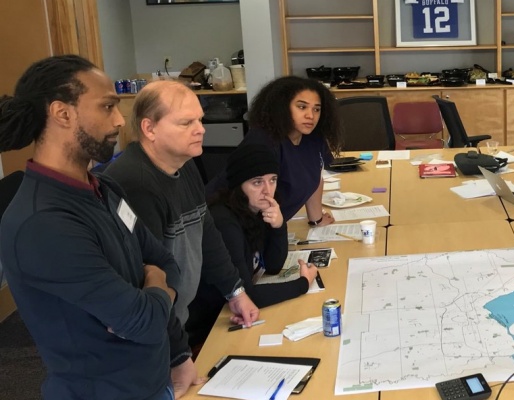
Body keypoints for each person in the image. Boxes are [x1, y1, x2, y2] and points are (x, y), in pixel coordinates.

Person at [0, 55, 178, 399]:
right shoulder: (42, 223)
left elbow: (167, 262)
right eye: (107, 106)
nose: (119, 119)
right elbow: (145, 322)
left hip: (153, 382)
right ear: (62, 113)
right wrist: (156, 282)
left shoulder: (105, 189)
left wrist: (154, 289)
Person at [103, 80, 259, 397]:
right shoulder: (134, 182)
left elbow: (207, 232)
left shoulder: (184, 163)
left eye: (200, 120)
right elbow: (148, 279)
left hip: (174, 324)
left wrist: (235, 290)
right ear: (149, 128)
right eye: (186, 123)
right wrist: (178, 355)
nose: (200, 129)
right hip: (144, 343)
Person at [187, 144, 319, 347]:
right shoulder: (225, 222)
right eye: (257, 182)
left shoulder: (254, 209)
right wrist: (302, 284)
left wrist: (278, 225)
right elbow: (245, 293)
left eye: (272, 180)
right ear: (239, 184)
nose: (267, 190)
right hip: (209, 327)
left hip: (231, 314)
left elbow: (273, 265)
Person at [207, 76, 342, 225]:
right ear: (282, 107)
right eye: (302, 107)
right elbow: (254, 201)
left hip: (272, 223)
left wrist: (317, 219)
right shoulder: (263, 142)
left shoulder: (313, 137)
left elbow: (315, 175)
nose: (310, 116)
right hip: (233, 224)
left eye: (316, 109)